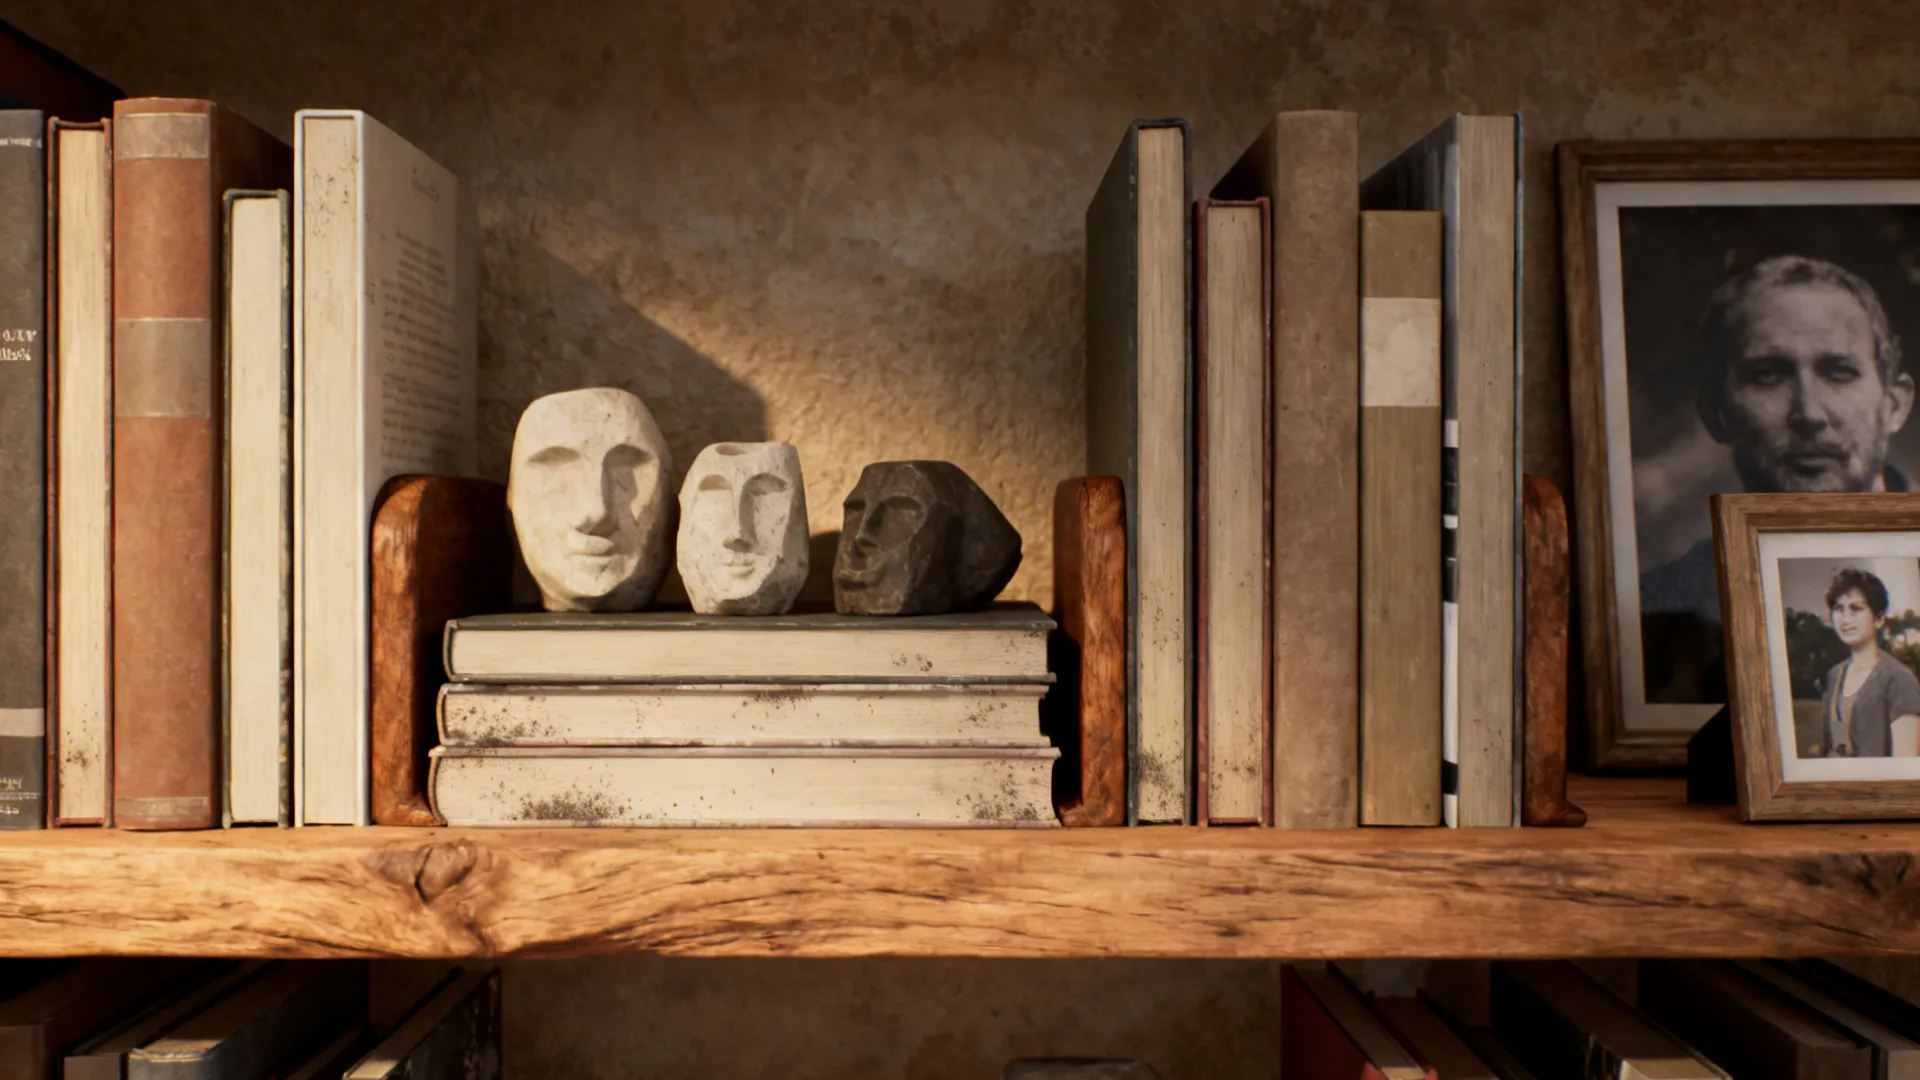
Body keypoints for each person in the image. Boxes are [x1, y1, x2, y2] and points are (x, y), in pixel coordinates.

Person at [1639, 256, 1916, 702]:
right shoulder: (1656, 614)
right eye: (1768, 375)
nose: (1808, 413)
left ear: (1894, 405)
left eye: (1839, 372)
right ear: (1717, 414)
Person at [1818, 567, 1920, 757]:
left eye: (1855, 608)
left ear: (1879, 618)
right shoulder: (1834, 676)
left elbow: (1906, 769)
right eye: (1838, 609)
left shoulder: (1899, 679)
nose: (1845, 618)